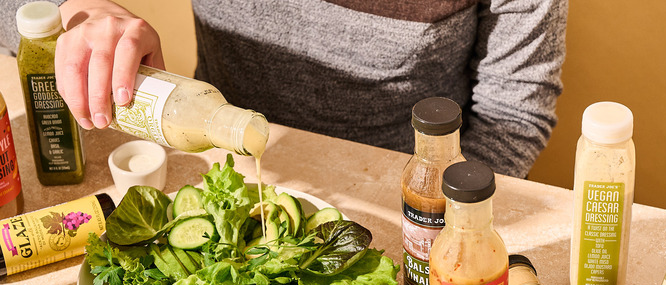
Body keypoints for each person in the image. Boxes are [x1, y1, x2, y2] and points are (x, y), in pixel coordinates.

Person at [0, 0, 568, 178]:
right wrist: (81, 14)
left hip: (409, 198)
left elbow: (514, 114)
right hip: (223, 170)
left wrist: (434, 219)